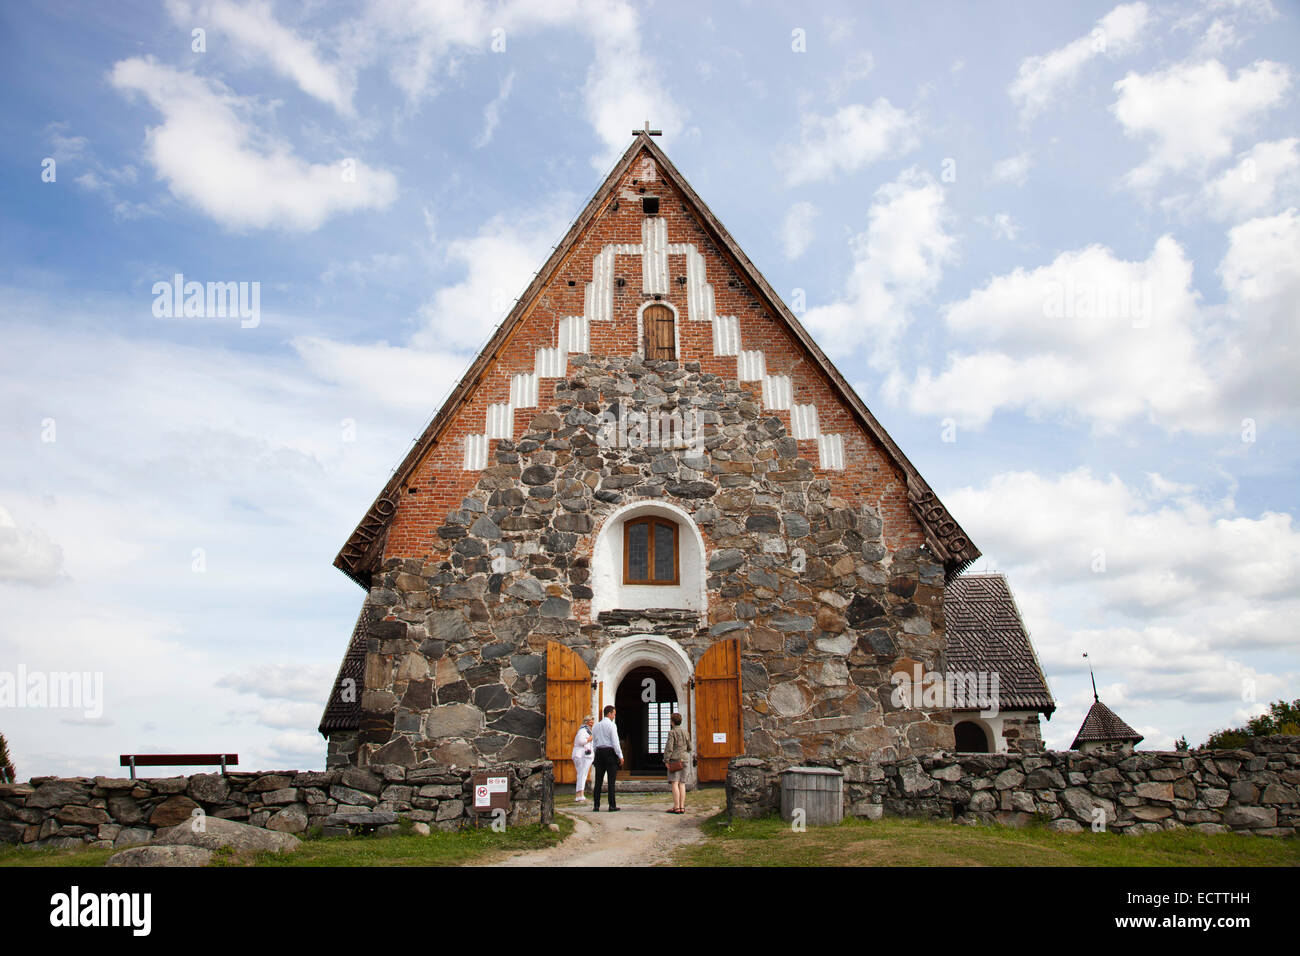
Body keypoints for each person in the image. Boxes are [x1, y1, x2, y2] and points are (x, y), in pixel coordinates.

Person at [590, 704, 623, 811]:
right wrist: (620, 756)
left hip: (599, 753)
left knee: (598, 781)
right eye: (614, 714)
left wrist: (595, 755)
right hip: (609, 753)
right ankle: (612, 805)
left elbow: (594, 743)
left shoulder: (596, 726)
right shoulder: (612, 726)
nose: (614, 716)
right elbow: (615, 742)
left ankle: (596, 805)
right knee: (611, 781)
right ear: (609, 714)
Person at [663, 710, 690, 814]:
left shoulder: (672, 732)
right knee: (682, 784)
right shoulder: (686, 732)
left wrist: (666, 760)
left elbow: (669, 747)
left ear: (672, 722)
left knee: (675, 783)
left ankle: (676, 806)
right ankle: (682, 807)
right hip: (685, 760)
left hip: (675, 760)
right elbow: (690, 746)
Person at [571, 715, 595, 802]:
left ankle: (580, 794)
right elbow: (581, 741)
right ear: (586, 722)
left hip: (584, 755)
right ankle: (579, 795)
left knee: (582, 775)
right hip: (581, 755)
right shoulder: (583, 731)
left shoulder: (587, 731)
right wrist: (589, 739)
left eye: (592, 721)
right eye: (590, 722)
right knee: (582, 774)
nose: (592, 723)